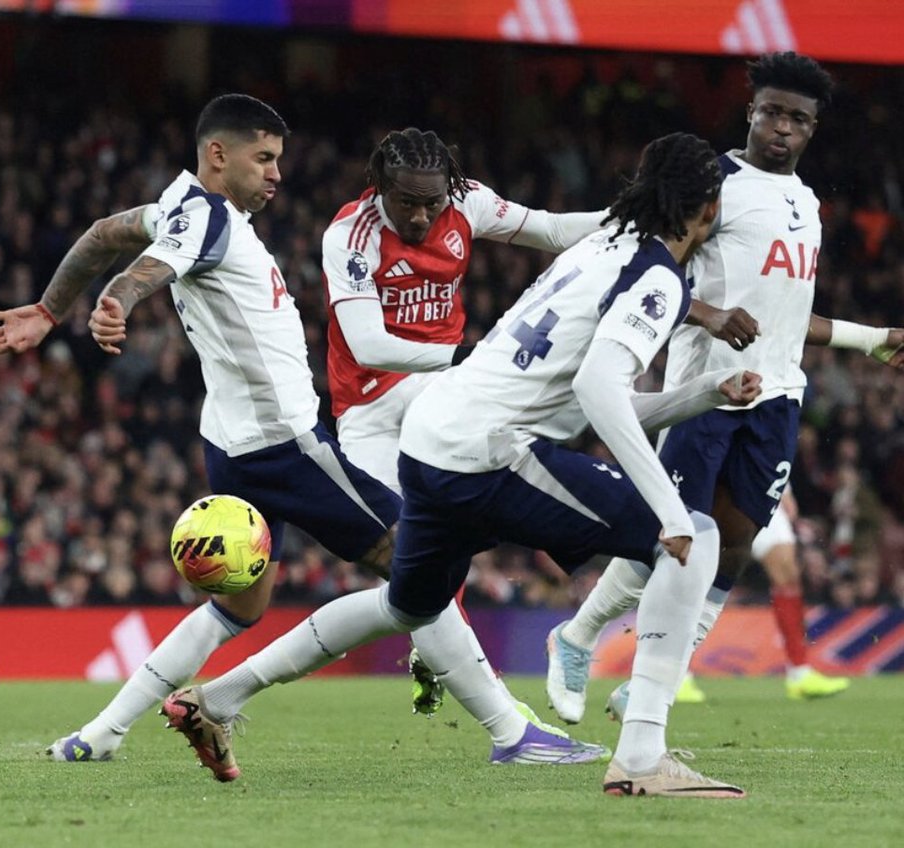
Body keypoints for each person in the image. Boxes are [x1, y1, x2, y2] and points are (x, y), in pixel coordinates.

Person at [0, 97, 601, 766]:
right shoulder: (208, 218)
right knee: (420, 563)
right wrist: (116, 301)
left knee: (237, 610)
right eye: (264, 158)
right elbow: (142, 268)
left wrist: (49, 309)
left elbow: (105, 233)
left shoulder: (178, 207)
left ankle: (100, 734)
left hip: (232, 447)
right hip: (286, 444)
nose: (277, 175)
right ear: (218, 155)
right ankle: (513, 734)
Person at [162, 132, 760, 798]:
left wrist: (705, 393)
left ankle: (219, 698)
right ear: (706, 211)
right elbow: (598, 393)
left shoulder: (599, 248)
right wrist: (668, 508)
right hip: (486, 452)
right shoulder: (655, 275)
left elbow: (592, 401)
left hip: (430, 439)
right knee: (695, 540)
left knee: (407, 605)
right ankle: (642, 752)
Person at [546, 52, 902, 725]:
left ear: (813, 128)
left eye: (797, 119)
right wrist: (706, 314)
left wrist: (871, 337)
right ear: (750, 112)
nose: (781, 128)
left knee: (734, 547)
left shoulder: (807, 204)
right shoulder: (714, 185)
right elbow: (646, 272)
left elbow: (792, 320)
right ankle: (578, 637)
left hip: (778, 396)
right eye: (771, 112)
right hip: (705, 390)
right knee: (677, 537)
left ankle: (658, 680)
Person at [322, 127, 609, 752]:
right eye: (407, 203)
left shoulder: (469, 202)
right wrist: (469, 354)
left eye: (432, 202)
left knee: (473, 519)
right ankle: (504, 719)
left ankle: (460, 674)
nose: (422, 215)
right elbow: (368, 345)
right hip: (371, 412)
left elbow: (554, 231)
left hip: (441, 397)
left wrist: (630, 221)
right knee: (408, 559)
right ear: (379, 189)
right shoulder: (349, 236)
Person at [642, 486, 848, 711]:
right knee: (695, 573)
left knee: (787, 571)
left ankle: (800, 673)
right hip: (715, 487)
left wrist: (785, 487)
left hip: (760, 486)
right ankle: (676, 674)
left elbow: (775, 448)